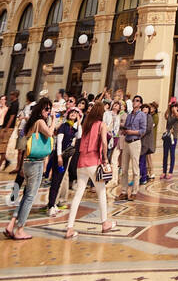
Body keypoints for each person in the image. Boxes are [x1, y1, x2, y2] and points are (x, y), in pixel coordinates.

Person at [4, 98, 52, 240]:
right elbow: (49, 134)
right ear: (40, 109)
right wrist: (54, 120)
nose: (48, 112)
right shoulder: (40, 122)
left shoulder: (31, 122)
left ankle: (11, 223)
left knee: (25, 196)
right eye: (46, 109)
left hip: (27, 161)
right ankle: (20, 229)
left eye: (49, 109)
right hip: (35, 163)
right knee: (30, 197)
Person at [65, 100, 115, 238]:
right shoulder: (101, 125)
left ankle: (70, 227)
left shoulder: (86, 124)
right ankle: (105, 222)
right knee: (101, 192)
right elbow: (104, 142)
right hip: (94, 161)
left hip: (81, 163)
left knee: (78, 194)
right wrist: (105, 158)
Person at [47, 104, 81, 216]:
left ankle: (53, 204)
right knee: (55, 181)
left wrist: (79, 122)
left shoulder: (73, 128)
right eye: (72, 112)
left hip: (66, 157)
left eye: (76, 113)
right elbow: (59, 142)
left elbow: (79, 136)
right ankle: (50, 205)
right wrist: (59, 156)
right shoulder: (64, 126)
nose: (73, 114)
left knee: (59, 180)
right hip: (59, 156)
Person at [118, 94, 146, 201]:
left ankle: (134, 191)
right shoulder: (129, 115)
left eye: (137, 101)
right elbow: (127, 126)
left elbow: (143, 131)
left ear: (140, 104)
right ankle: (124, 191)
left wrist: (132, 132)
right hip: (126, 141)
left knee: (135, 168)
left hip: (135, 142)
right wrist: (125, 130)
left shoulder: (142, 115)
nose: (135, 102)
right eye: (134, 100)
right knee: (124, 169)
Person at [161, 98, 178, 178]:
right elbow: (165, 115)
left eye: (176, 106)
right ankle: (164, 171)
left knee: (172, 154)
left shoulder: (177, 115)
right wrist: (169, 107)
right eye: (173, 106)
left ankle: (170, 172)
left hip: (173, 137)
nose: (174, 107)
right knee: (165, 154)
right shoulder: (169, 115)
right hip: (167, 136)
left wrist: (175, 108)